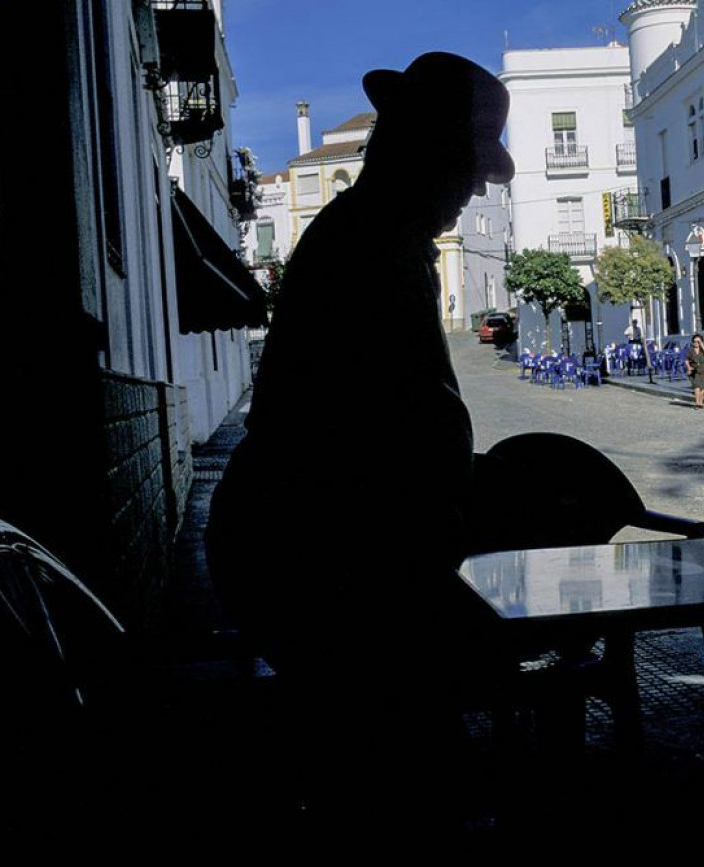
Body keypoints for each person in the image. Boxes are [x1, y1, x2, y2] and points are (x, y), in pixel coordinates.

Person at [204, 52, 515, 835]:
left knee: (413, 730)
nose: (477, 187)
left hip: (310, 543)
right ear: (429, 154)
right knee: (414, 748)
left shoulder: (373, 238)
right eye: (469, 166)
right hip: (314, 556)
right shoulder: (372, 251)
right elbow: (390, 433)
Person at [686, 332, 704, 409]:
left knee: (702, 387)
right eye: (694, 341)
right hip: (694, 369)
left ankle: (701, 403)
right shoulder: (691, 350)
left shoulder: (703, 349)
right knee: (696, 386)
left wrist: (702, 345)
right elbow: (686, 360)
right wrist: (689, 367)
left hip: (703, 368)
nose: (696, 343)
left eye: (698, 341)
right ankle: (697, 403)